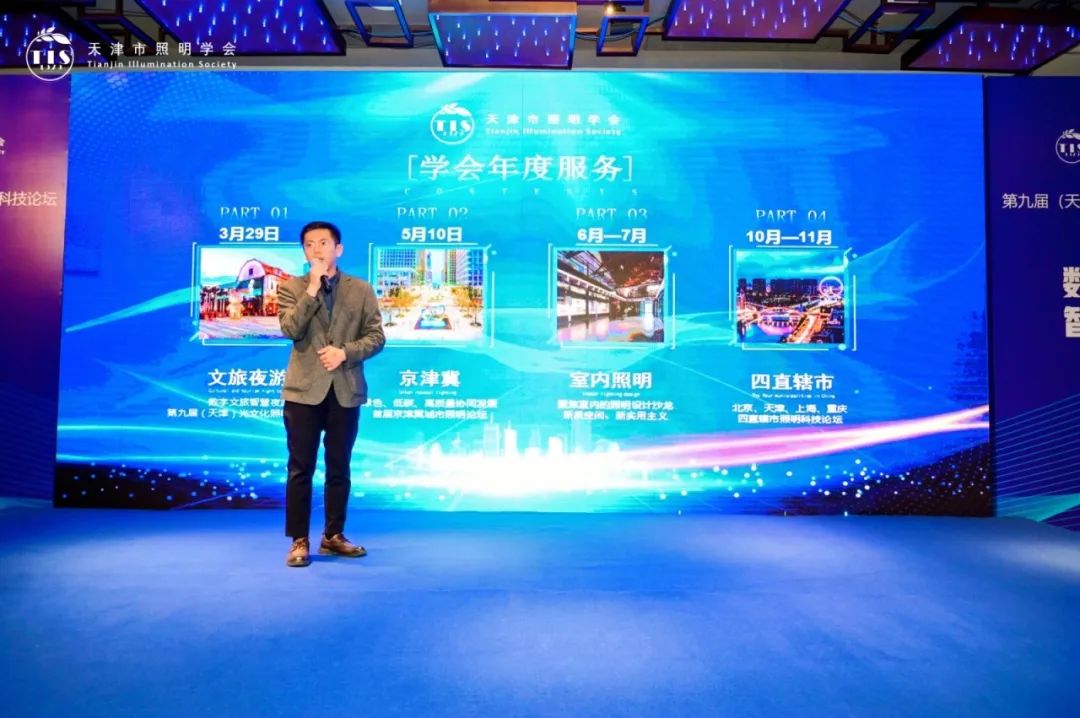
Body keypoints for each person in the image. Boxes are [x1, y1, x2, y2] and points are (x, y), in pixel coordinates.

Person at [276, 221, 385, 567]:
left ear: (338, 249)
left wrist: (345, 353)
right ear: (304, 251)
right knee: (300, 468)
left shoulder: (361, 289)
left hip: (345, 389)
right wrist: (311, 289)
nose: (317, 249)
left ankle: (333, 536)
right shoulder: (291, 288)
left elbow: (376, 337)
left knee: (339, 467)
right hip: (303, 392)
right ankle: (299, 540)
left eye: (324, 243)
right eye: (310, 244)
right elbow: (290, 328)